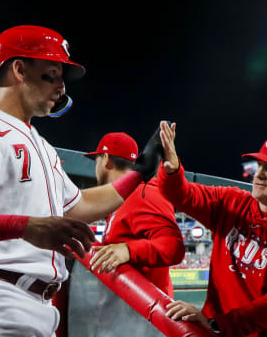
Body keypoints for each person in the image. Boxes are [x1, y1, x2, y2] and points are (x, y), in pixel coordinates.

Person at [0, 25, 163, 337]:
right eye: (52, 74)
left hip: (39, 307)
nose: (62, 87)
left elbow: (81, 205)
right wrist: (26, 226)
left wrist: (140, 172)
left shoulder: (42, 146)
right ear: (19, 69)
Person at [159, 123, 267, 337]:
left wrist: (215, 323)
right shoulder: (232, 202)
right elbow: (182, 195)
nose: (259, 174)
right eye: (259, 165)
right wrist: (173, 170)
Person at [73, 132, 185, 336]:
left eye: (96, 160)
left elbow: (173, 247)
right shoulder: (120, 199)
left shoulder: (143, 192)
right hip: (124, 322)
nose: (95, 168)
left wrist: (127, 250)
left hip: (142, 325)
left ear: (106, 160)